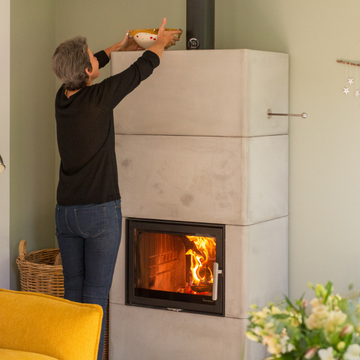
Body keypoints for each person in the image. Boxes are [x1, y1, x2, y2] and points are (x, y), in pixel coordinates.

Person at [52, 18, 181, 360]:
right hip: (99, 214)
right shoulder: (99, 99)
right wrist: (161, 42)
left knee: (73, 295)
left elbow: (90, 63)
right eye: (92, 61)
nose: (96, 61)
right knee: (95, 298)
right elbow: (141, 70)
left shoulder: (62, 98)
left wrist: (117, 48)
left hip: (66, 214)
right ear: (88, 71)